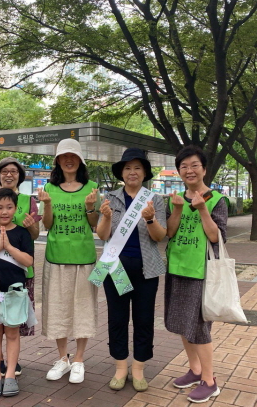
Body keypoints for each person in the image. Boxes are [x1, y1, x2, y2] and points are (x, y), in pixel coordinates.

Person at [95, 148, 167, 392]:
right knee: (117, 319)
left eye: (137, 167)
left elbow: (159, 236)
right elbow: (103, 235)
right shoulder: (110, 198)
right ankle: (120, 367)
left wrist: (150, 219)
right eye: (127, 168)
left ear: (144, 172)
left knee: (143, 319)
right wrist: (104, 217)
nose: (132, 172)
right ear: (121, 173)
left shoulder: (154, 199)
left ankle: (138, 368)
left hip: (146, 271)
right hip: (115, 268)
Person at [165, 145, 228, 403]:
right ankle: (195, 370)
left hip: (201, 272)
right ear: (179, 171)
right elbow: (169, 232)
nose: (189, 170)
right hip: (177, 267)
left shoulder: (216, 200)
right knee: (182, 322)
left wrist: (202, 209)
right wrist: (179, 210)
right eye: (184, 166)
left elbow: (217, 237)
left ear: (204, 169)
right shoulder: (175, 199)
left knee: (200, 328)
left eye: (194, 165)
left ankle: (210, 381)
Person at [38, 138, 100, 384]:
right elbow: (48, 224)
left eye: (73, 156)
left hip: (84, 258)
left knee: (83, 309)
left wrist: (90, 207)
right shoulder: (49, 188)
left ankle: (79, 360)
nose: (69, 160)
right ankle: (63, 358)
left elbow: (95, 224)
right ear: (57, 161)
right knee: (58, 308)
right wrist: (47, 204)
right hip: (56, 257)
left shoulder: (92, 187)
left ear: (80, 160)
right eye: (64, 156)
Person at [0, 157, 41, 377]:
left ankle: (11, 365)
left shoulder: (29, 201)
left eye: (14, 171)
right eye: (4, 171)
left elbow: (34, 236)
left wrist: (30, 230)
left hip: (17, 272)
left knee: (13, 322)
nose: (9, 175)